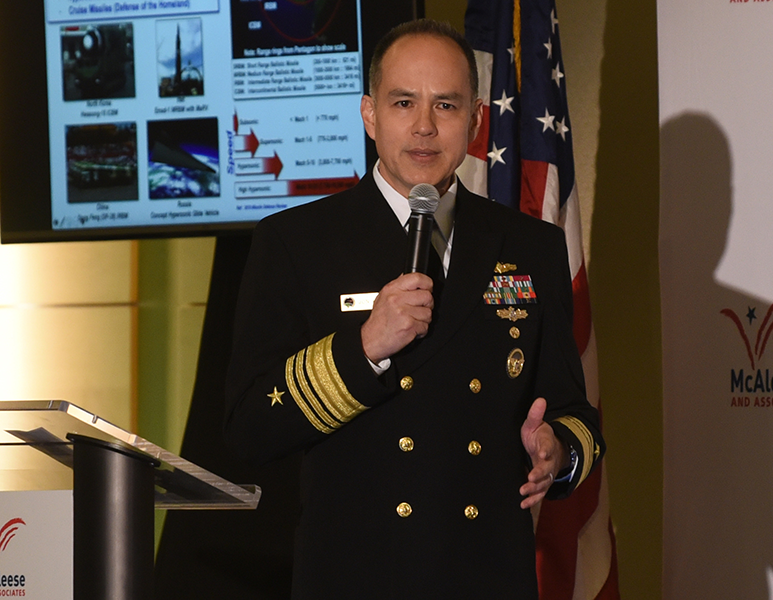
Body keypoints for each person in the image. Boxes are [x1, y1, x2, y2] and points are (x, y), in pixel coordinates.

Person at [224, 19, 603, 599]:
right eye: (404, 103)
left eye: (446, 106)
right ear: (370, 114)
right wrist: (364, 349)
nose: (425, 127)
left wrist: (558, 449)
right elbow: (248, 428)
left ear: (475, 121)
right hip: (357, 579)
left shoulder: (530, 246)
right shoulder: (296, 243)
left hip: (487, 577)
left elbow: (577, 410)